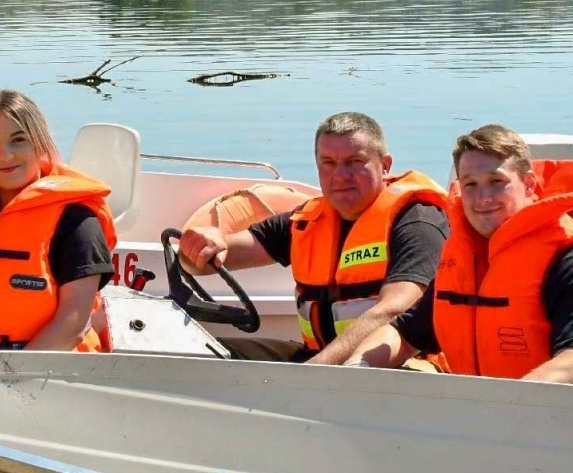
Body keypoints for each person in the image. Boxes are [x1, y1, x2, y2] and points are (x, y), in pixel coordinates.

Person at [347, 125, 573, 387]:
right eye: (471, 185)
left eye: (497, 182)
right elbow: (403, 333)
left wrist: (498, 411)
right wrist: (357, 367)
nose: (483, 198)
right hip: (496, 418)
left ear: (529, 184)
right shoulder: (465, 257)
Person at [178, 111, 447, 364]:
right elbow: (203, 263)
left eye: (354, 162)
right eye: (328, 163)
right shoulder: (305, 222)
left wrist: (315, 370)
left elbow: (395, 309)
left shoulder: (417, 221)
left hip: (400, 366)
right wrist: (205, 245)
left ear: (384, 165)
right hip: (318, 361)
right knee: (197, 352)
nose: (341, 175)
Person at [0, 91, 116, 351]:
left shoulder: (77, 221)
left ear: (40, 142)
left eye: (18, 140)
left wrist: (8, 377)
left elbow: (72, 325)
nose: (5, 155)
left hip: (46, 373)